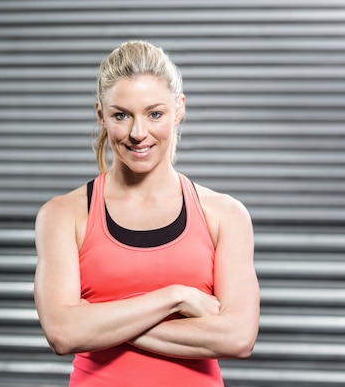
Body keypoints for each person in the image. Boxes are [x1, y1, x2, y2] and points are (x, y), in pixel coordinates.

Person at [34, 40, 260, 387]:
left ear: (179, 109)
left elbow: (238, 337)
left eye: (155, 114)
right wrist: (177, 297)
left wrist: (98, 322)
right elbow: (63, 334)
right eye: (121, 115)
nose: (138, 133)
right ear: (101, 115)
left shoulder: (224, 214)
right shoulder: (64, 215)